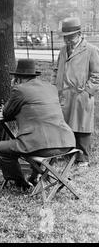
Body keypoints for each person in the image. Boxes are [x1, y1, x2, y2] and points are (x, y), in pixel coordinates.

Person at [0, 59, 76, 191]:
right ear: (34, 75)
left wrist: (13, 89)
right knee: (35, 141)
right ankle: (35, 176)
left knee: (1, 147)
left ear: (18, 78)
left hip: (42, 147)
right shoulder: (51, 87)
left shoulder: (19, 90)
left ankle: (21, 184)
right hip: (66, 143)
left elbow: (6, 113)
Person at [52, 17, 99, 167]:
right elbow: (56, 69)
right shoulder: (63, 50)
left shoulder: (91, 50)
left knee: (82, 126)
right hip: (63, 94)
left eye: (71, 37)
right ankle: (68, 153)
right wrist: (54, 86)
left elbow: (97, 75)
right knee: (64, 125)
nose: (68, 40)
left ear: (79, 34)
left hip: (81, 94)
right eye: (65, 37)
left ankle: (83, 158)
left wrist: (87, 91)